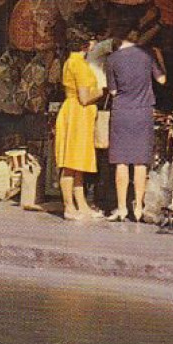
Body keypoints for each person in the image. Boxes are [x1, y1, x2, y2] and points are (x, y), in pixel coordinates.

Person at [105, 25, 165, 222]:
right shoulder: (147, 55)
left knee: (121, 162)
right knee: (140, 161)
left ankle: (122, 207)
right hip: (143, 112)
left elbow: (113, 92)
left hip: (121, 112)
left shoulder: (112, 59)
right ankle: (138, 207)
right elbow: (162, 80)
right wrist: (159, 57)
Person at [53, 26, 101, 221]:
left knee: (77, 163)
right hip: (77, 115)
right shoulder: (80, 65)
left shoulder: (70, 62)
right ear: (86, 45)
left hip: (74, 113)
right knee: (71, 163)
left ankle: (81, 205)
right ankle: (69, 207)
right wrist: (99, 91)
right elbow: (84, 97)